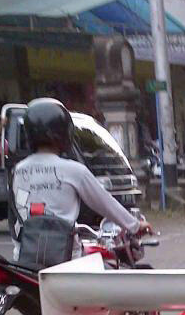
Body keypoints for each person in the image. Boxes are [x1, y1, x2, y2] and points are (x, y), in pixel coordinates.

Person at [10, 98, 150, 250]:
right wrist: (135, 226)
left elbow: (14, 215)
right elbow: (106, 205)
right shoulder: (74, 170)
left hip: (25, 257)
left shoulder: (17, 171)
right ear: (65, 132)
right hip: (66, 257)